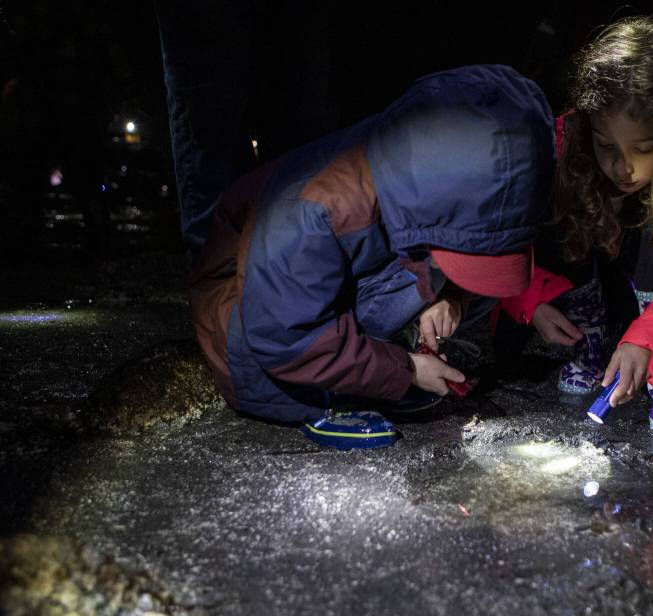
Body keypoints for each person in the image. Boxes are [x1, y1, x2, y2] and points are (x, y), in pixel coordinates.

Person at [186, 64, 554, 442]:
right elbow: (282, 337)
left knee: (462, 282)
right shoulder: (315, 212)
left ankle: (376, 359)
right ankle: (339, 391)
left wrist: (450, 298)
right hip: (252, 333)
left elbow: (467, 239)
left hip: (307, 291)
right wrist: (406, 370)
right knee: (300, 362)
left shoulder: (416, 177)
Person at [499, 17, 653, 440]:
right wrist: (532, 300)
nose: (622, 166)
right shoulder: (566, 141)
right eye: (606, 145)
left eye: (643, 148)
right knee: (560, 203)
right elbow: (505, 233)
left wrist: (651, 340)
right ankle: (590, 339)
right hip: (599, 278)